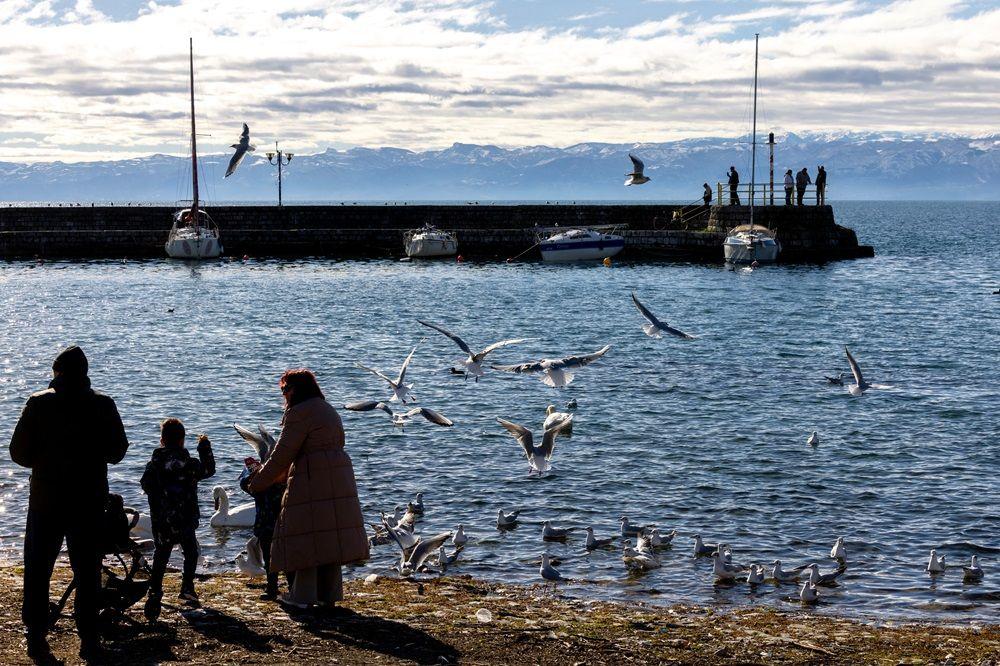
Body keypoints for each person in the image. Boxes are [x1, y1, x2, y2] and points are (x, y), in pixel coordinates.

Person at [9, 346, 129, 663]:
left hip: (46, 500)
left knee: (38, 569)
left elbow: (17, 453)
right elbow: (118, 451)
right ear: (85, 373)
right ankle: (89, 640)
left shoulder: (38, 403)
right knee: (88, 572)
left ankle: (36, 637)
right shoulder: (103, 404)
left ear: (57, 372)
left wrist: (44, 462)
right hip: (88, 501)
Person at [247, 369, 368, 608]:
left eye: (285, 389)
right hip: (338, 477)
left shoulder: (299, 413)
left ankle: (302, 595)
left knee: (303, 535)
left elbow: (282, 455)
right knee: (328, 536)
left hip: (311, 477)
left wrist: (258, 482)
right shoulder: (327, 409)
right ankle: (329, 595)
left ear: (297, 390)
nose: (283, 394)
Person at [140, 420, 215, 620]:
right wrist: (204, 447)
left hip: (162, 520)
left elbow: (145, 485)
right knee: (191, 552)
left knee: (161, 554)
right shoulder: (190, 464)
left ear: (162, 440)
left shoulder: (153, 465)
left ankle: (155, 590)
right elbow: (209, 470)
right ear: (182, 440)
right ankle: (187, 588)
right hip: (185, 519)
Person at [239, 454, 288, 600]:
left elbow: (244, 484)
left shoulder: (262, 489)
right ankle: (277, 588)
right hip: (276, 529)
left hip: (270, 528)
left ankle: (275, 588)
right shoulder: (281, 489)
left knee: (273, 560)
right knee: (275, 559)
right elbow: (244, 484)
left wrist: (254, 474)